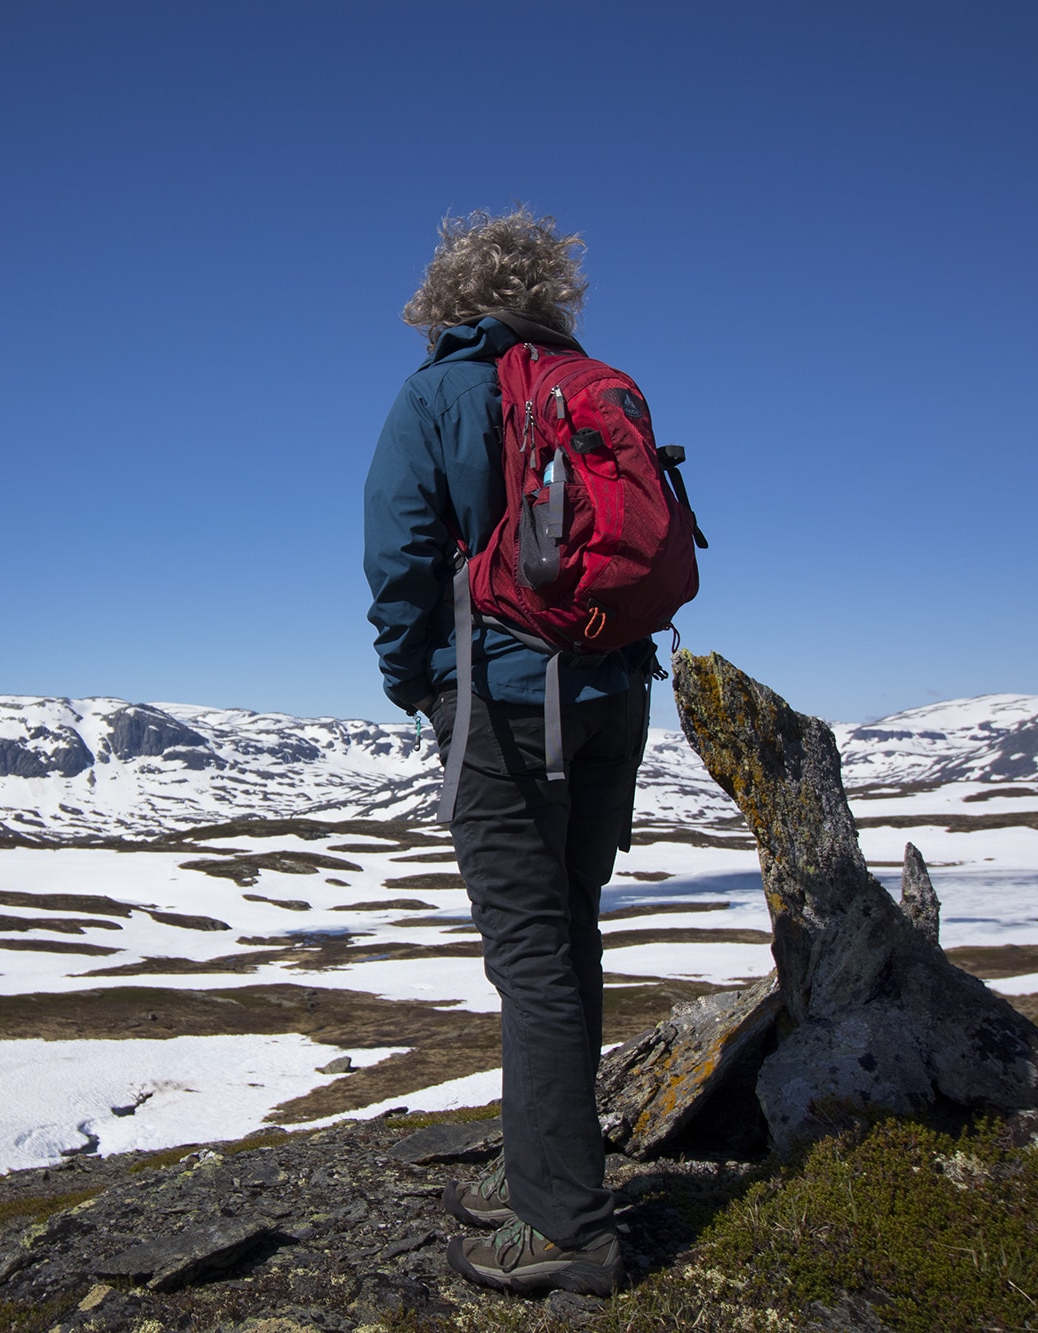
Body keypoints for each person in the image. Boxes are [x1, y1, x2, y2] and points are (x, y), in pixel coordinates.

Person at [362, 207, 656, 1298]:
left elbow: (396, 555)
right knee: (566, 931)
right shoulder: (594, 384)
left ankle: (561, 1226)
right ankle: (542, 1171)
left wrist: (416, 681)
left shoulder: (436, 393)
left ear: (444, 302)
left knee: (527, 954)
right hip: (612, 692)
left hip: (499, 698)